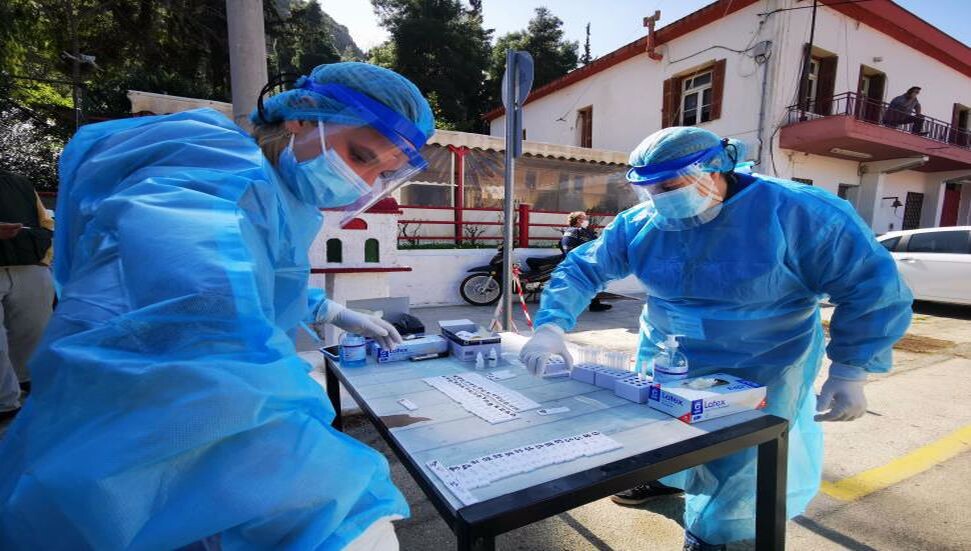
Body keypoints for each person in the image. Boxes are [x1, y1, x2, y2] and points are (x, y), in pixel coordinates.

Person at [0, 62, 435, 549]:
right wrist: (325, 489)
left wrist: (331, 311)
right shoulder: (217, 169)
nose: (364, 182)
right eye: (360, 155)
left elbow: (257, 279)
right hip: (130, 428)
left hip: (167, 422)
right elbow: (201, 296)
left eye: (383, 173)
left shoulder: (279, 195)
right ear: (302, 115)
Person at [520, 127, 912, 550]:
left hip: (765, 357)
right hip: (669, 350)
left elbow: (871, 287)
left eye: (670, 186)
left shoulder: (799, 212)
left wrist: (851, 368)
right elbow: (583, 268)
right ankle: (666, 480)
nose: (659, 198)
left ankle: (718, 538)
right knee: (663, 430)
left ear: (715, 169)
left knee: (741, 458)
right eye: (650, 189)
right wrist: (551, 326)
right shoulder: (641, 223)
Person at [0, 169, 55, 420]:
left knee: (34, 332)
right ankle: (5, 404)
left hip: (29, 266)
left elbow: (46, 222)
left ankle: (27, 382)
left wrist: (43, 258)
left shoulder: (19, 182)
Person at [560, 211, 611, 312]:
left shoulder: (573, 231)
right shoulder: (576, 231)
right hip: (580, 261)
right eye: (584, 219)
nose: (586, 221)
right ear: (579, 220)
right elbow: (589, 244)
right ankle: (593, 305)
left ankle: (594, 304)